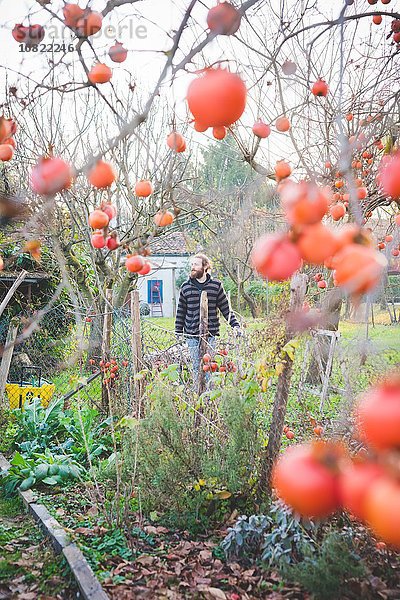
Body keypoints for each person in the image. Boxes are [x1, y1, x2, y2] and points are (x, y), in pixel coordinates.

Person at [175, 253, 242, 388]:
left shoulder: (216, 286)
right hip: (191, 334)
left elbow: (225, 308)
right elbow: (181, 311)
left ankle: (209, 396)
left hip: (210, 334)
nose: (192, 267)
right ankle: (197, 393)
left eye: (196, 264)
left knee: (209, 366)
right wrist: (178, 331)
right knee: (196, 366)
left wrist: (235, 325)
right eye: (192, 264)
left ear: (205, 267)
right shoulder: (186, 287)